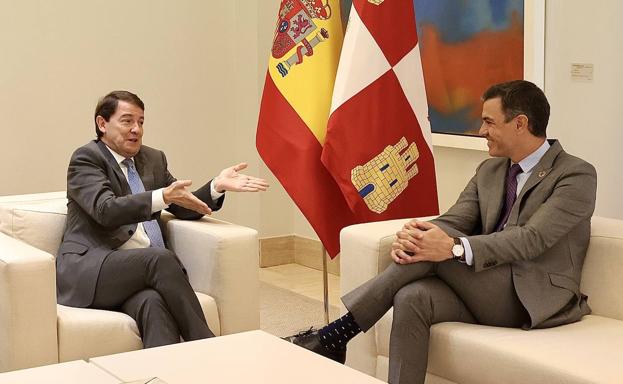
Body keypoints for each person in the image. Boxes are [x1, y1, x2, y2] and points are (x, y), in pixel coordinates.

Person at [285, 80, 597, 384]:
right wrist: (416, 235)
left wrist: (452, 248)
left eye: (489, 122)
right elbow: (456, 219)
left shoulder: (575, 174)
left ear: (520, 123)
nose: (481, 131)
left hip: (532, 295)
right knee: (412, 296)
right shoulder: (490, 170)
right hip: (486, 285)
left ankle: (336, 334)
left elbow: (532, 240)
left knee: (437, 254)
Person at [56, 90, 268, 348]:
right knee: (160, 258)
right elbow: (106, 210)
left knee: (153, 305)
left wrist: (216, 186)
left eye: (141, 122)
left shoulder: (152, 159)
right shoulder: (87, 158)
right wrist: (161, 197)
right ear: (102, 124)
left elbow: (181, 205)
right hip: (93, 269)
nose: (137, 129)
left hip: (138, 274)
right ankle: (210, 348)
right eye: (127, 121)